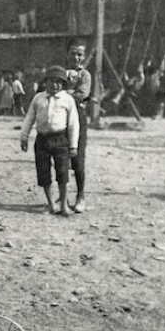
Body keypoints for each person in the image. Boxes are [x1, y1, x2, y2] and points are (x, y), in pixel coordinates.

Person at [19, 65, 79, 216]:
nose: (54, 85)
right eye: (51, 81)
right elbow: (29, 118)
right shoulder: (38, 98)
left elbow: (73, 123)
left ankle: (64, 204)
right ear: (45, 82)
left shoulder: (67, 99)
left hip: (60, 139)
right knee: (43, 171)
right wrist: (24, 136)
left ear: (63, 84)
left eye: (59, 82)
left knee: (62, 171)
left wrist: (73, 145)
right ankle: (51, 204)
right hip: (42, 140)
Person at [65, 38, 92, 213]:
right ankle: (63, 195)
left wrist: (62, 92)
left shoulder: (85, 75)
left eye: (79, 54)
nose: (76, 57)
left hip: (78, 117)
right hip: (61, 118)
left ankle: (80, 195)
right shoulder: (60, 72)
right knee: (61, 158)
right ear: (67, 54)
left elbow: (82, 94)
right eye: (73, 53)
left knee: (78, 158)